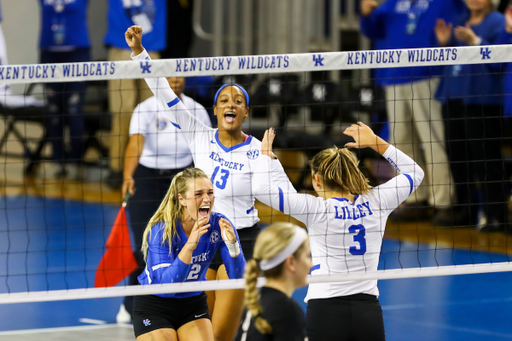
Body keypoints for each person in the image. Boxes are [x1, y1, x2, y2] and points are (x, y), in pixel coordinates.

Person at [126, 25, 296, 341]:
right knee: (202, 326)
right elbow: (162, 92)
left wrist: (271, 165)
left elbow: (284, 197)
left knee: (222, 334)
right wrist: (139, 51)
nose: (230, 105)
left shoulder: (259, 148)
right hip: (203, 236)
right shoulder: (199, 135)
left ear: (246, 110)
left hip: (239, 239)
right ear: (215, 109)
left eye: (237, 101)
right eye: (224, 100)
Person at [253, 122, 424, 341]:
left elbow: (261, 189)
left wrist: (267, 158)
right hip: (368, 312)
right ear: (352, 173)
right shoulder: (378, 201)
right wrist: (375, 143)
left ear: (316, 180)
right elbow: (415, 173)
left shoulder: (316, 209)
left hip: (325, 311)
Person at [360, 0, 465, 225]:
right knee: (401, 142)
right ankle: (415, 197)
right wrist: (366, 14)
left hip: (428, 75)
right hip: (393, 76)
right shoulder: (390, 3)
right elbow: (373, 31)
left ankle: (443, 200)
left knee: (433, 140)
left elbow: (460, 20)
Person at [116, 76, 212, 322]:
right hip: (148, 178)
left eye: (179, 75)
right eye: (170, 76)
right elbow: (135, 143)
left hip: (181, 178)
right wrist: (128, 175)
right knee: (144, 243)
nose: (175, 80)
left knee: (183, 242)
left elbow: (204, 147)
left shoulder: (196, 109)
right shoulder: (146, 108)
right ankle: (132, 303)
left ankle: (178, 302)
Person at [132, 167, 246, 341]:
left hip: (193, 304)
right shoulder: (161, 231)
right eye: (199, 194)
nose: (207, 199)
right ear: (182, 199)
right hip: (155, 305)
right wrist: (190, 245)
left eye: (210, 192)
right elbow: (166, 287)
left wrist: (233, 247)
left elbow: (239, 278)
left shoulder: (219, 225)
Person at [435, 0, 509, 231]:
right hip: (453, 98)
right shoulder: (459, 21)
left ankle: (496, 215)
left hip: (481, 100)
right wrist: (445, 44)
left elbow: (500, 62)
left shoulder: (497, 22)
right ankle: (465, 210)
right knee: (458, 158)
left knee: (484, 159)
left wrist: (475, 42)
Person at [104, 0, 166, 189]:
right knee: (123, 110)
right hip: (122, 47)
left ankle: (148, 166)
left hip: (153, 47)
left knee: (154, 111)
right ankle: (117, 168)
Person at [39, 0, 90, 178]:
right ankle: (57, 161)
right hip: (49, 53)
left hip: (77, 52)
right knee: (54, 111)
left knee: (74, 110)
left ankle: (76, 162)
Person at [235, 223, 310, 341]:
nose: (311, 264)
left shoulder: (256, 303)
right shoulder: (286, 310)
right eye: (307, 256)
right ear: (290, 262)